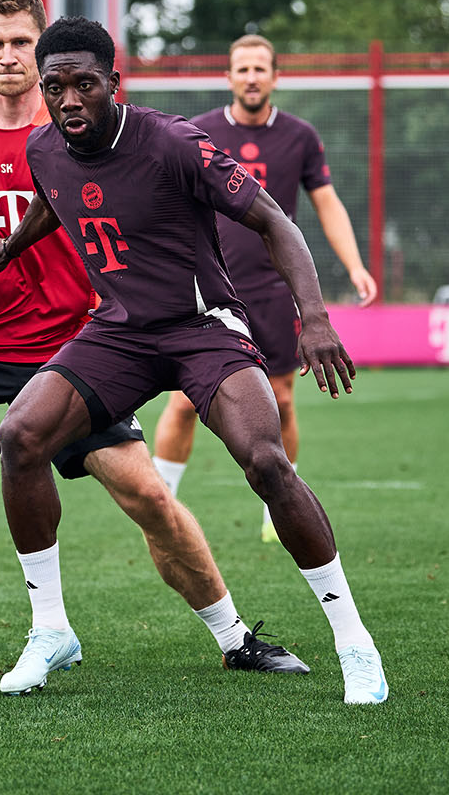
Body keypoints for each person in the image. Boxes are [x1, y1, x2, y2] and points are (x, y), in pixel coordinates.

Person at [0, 15, 388, 704]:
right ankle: (50, 630)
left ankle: (354, 641)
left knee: (267, 462)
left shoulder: (175, 141)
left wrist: (317, 318)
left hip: (201, 328)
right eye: (55, 86)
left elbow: (275, 219)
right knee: (24, 436)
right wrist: (6, 250)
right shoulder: (45, 147)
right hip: (118, 331)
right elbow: (51, 203)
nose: (68, 101)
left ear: (112, 84)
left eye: (84, 85)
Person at [0, 0, 305, 689]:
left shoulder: (81, 128)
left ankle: (234, 637)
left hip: (72, 344)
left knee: (145, 494)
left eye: (21, 42)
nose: (8, 55)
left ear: (43, 47)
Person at [152, 34, 378, 540]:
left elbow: (326, 203)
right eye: (242, 69)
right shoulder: (198, 131)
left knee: (282, 400)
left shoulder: (300, 136)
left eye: (260, 69)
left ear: (275, 77)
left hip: (275, 292)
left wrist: (355, 264)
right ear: (229, 77)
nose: (251, 77)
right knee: (186, 400)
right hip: (209, 289)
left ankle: (279, 510)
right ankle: (160, 499)